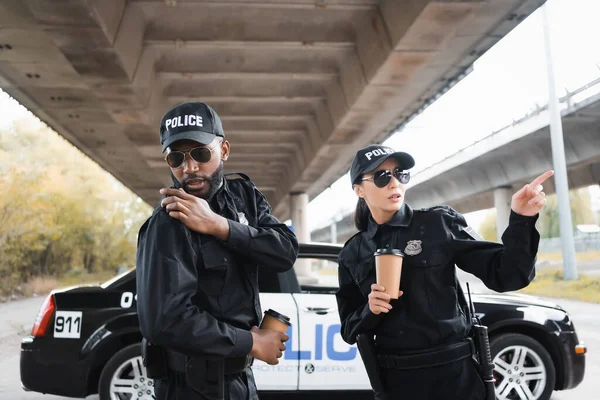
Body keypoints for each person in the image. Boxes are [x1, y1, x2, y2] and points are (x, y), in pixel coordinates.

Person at [336, 144, 553, 400]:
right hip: (398, 383)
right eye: (382, 176)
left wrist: (521, 219)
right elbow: (349, 330)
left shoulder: (438, 223)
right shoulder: (352, 253)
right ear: (359, 189)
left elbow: (507, 275)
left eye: (400, 174)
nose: (394, 183)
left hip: (456, 377)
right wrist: (369, 310)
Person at [136, 101, 299, 400]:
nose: (189, 167)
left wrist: (220, 227)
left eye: (200, 153)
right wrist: (249, 342)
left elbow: (285, 252)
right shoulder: (169, 222)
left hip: (240, 380)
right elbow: (165, 320)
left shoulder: (244, 197)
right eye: (176, 157)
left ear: (223, 150)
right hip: (191, 387)